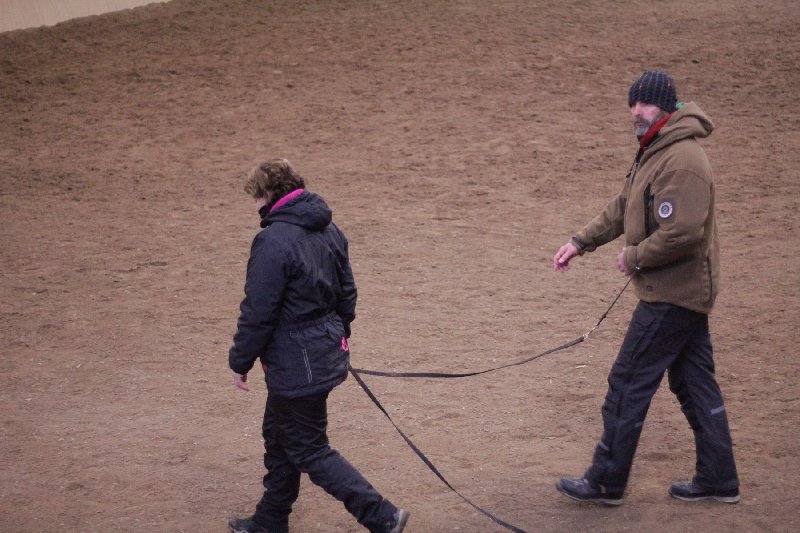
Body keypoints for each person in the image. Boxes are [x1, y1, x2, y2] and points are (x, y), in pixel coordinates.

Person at [552, 71, 740, 506]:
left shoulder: (683, 160)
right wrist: (580, 242)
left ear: (667, 106)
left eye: (645, 104)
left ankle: (605, 481)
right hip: (680, 292)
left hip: (673, 294)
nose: (636, 111)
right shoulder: (656, 149)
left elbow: (684, 232)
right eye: (632, 104)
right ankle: (719, 478)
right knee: (694, 384)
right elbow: (625, 205)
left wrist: (634, 257)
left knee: (627, 381)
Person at [228, 159, 410, 533]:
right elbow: (348, 294)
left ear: (267, 195)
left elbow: (258, 310)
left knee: (309, 448)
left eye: (255, 197)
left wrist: (240, 360)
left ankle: (383, 516)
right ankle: (270, 521)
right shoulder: (329, 229)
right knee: (279, 436)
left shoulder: (273, 241)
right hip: (319, 354)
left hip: (298, 364)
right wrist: (334, 336)